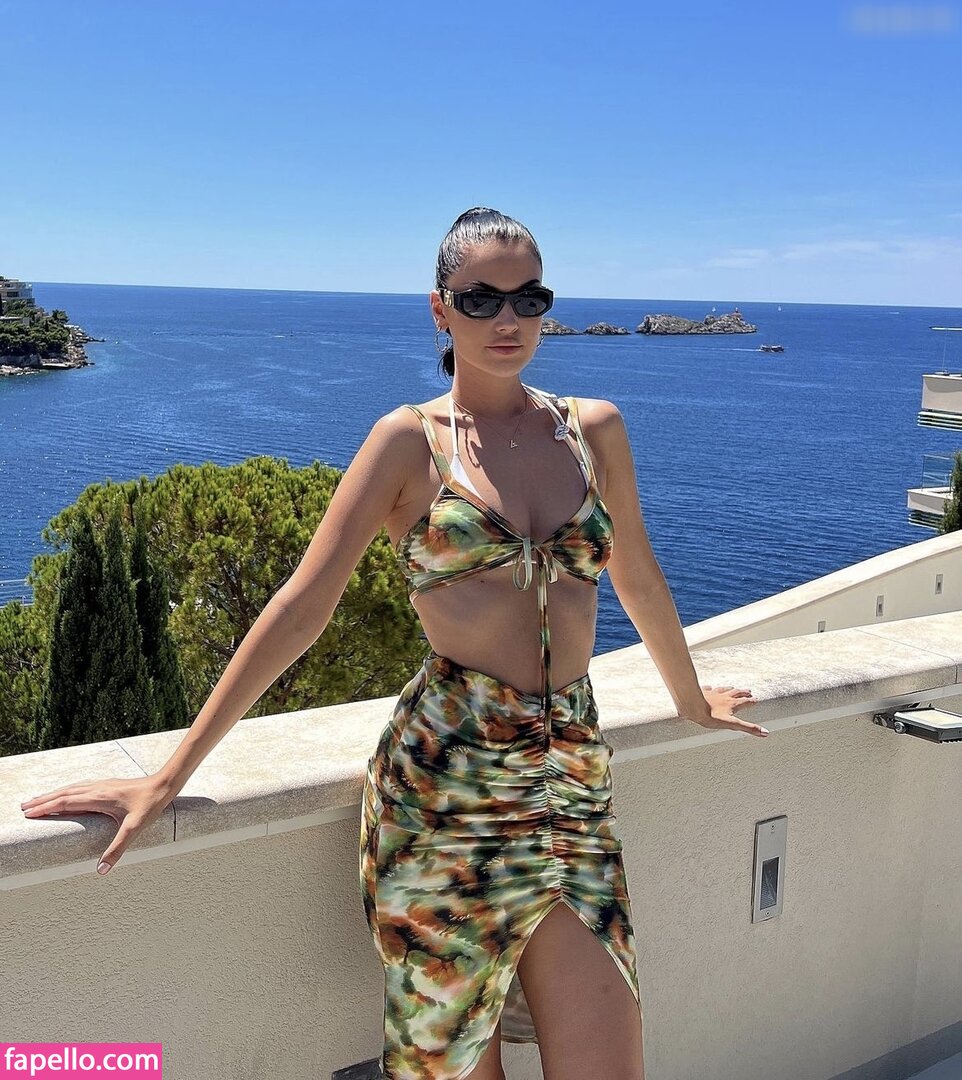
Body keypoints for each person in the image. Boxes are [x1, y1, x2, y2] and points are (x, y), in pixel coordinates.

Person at [19, 206, 765, 1080]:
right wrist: (168, 775)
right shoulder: (409, 443)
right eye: (481, 299)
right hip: (444, 791)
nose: (508, 318)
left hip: (570, 785)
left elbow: (637, 575)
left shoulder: (592, 429)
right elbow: (302, 608)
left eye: (528, 297)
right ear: (440, 309)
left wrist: (689, 699)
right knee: (452, 1068)